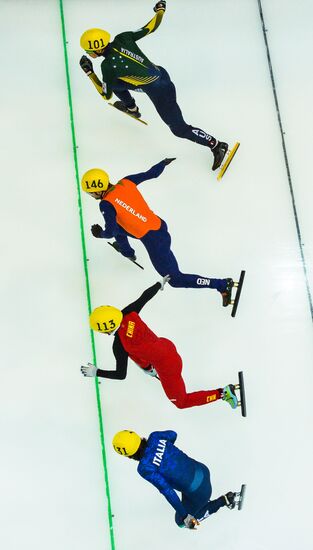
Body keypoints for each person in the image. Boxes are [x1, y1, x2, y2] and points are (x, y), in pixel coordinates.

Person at [79, 1, 229, 172]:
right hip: (160, 74)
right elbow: (150, 27)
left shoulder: (107, 68)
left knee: (178, 129)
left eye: (87, 51)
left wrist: (90, 73)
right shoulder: (123, 38)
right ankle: (132, 108)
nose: (88, 54)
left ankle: (216, 144)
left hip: (160, 92)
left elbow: (106, 95)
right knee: (118, 85)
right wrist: (160, 11)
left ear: (97, 49)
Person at [81, 158, 236, 305]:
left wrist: (100, 234)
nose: (91, 196)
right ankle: (128, 252)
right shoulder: (126, 181)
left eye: (90, 193)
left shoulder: (106, 205)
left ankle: (221, 284)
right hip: (159, 225)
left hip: (154, 241)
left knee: (175, 280)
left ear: (97, 190)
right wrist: (163, 163)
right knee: (121, 230)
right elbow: (151, 173)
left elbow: (110, 231)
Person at [81, 279, 239, 411]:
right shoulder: (127, 313)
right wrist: (159, 283)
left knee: (181, 402)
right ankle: (148, 366)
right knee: (138, 349)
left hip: (167, 367)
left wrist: (97, 372)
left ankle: (222, 393)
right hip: (167, 347)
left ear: (104, 331)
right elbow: (144, 297)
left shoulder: (118, 346)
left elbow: (121, 374)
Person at [112, 429, 239, 528]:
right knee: (185, 487)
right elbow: (173, 434)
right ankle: (200, 501)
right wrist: (164, 451)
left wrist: (185, 516)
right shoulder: (155, 437)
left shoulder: (145, 468)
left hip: (199, 492)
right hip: (203, 471)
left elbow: (167, 491)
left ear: (129, 456)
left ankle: (224, 500)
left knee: (181, 522)